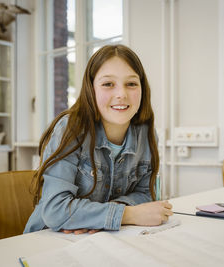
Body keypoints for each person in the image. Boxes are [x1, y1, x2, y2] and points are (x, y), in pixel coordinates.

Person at [24, 44, 173, 235]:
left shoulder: (147, 133)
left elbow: (146, 194)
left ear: (142, 88)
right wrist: (127, 214)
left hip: (104, 237)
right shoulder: (70, 129)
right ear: (91, 89)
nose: (121, 94)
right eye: (108, 84)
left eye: (131, 84)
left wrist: (100, 216)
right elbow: (56, 210)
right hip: (49, 238)